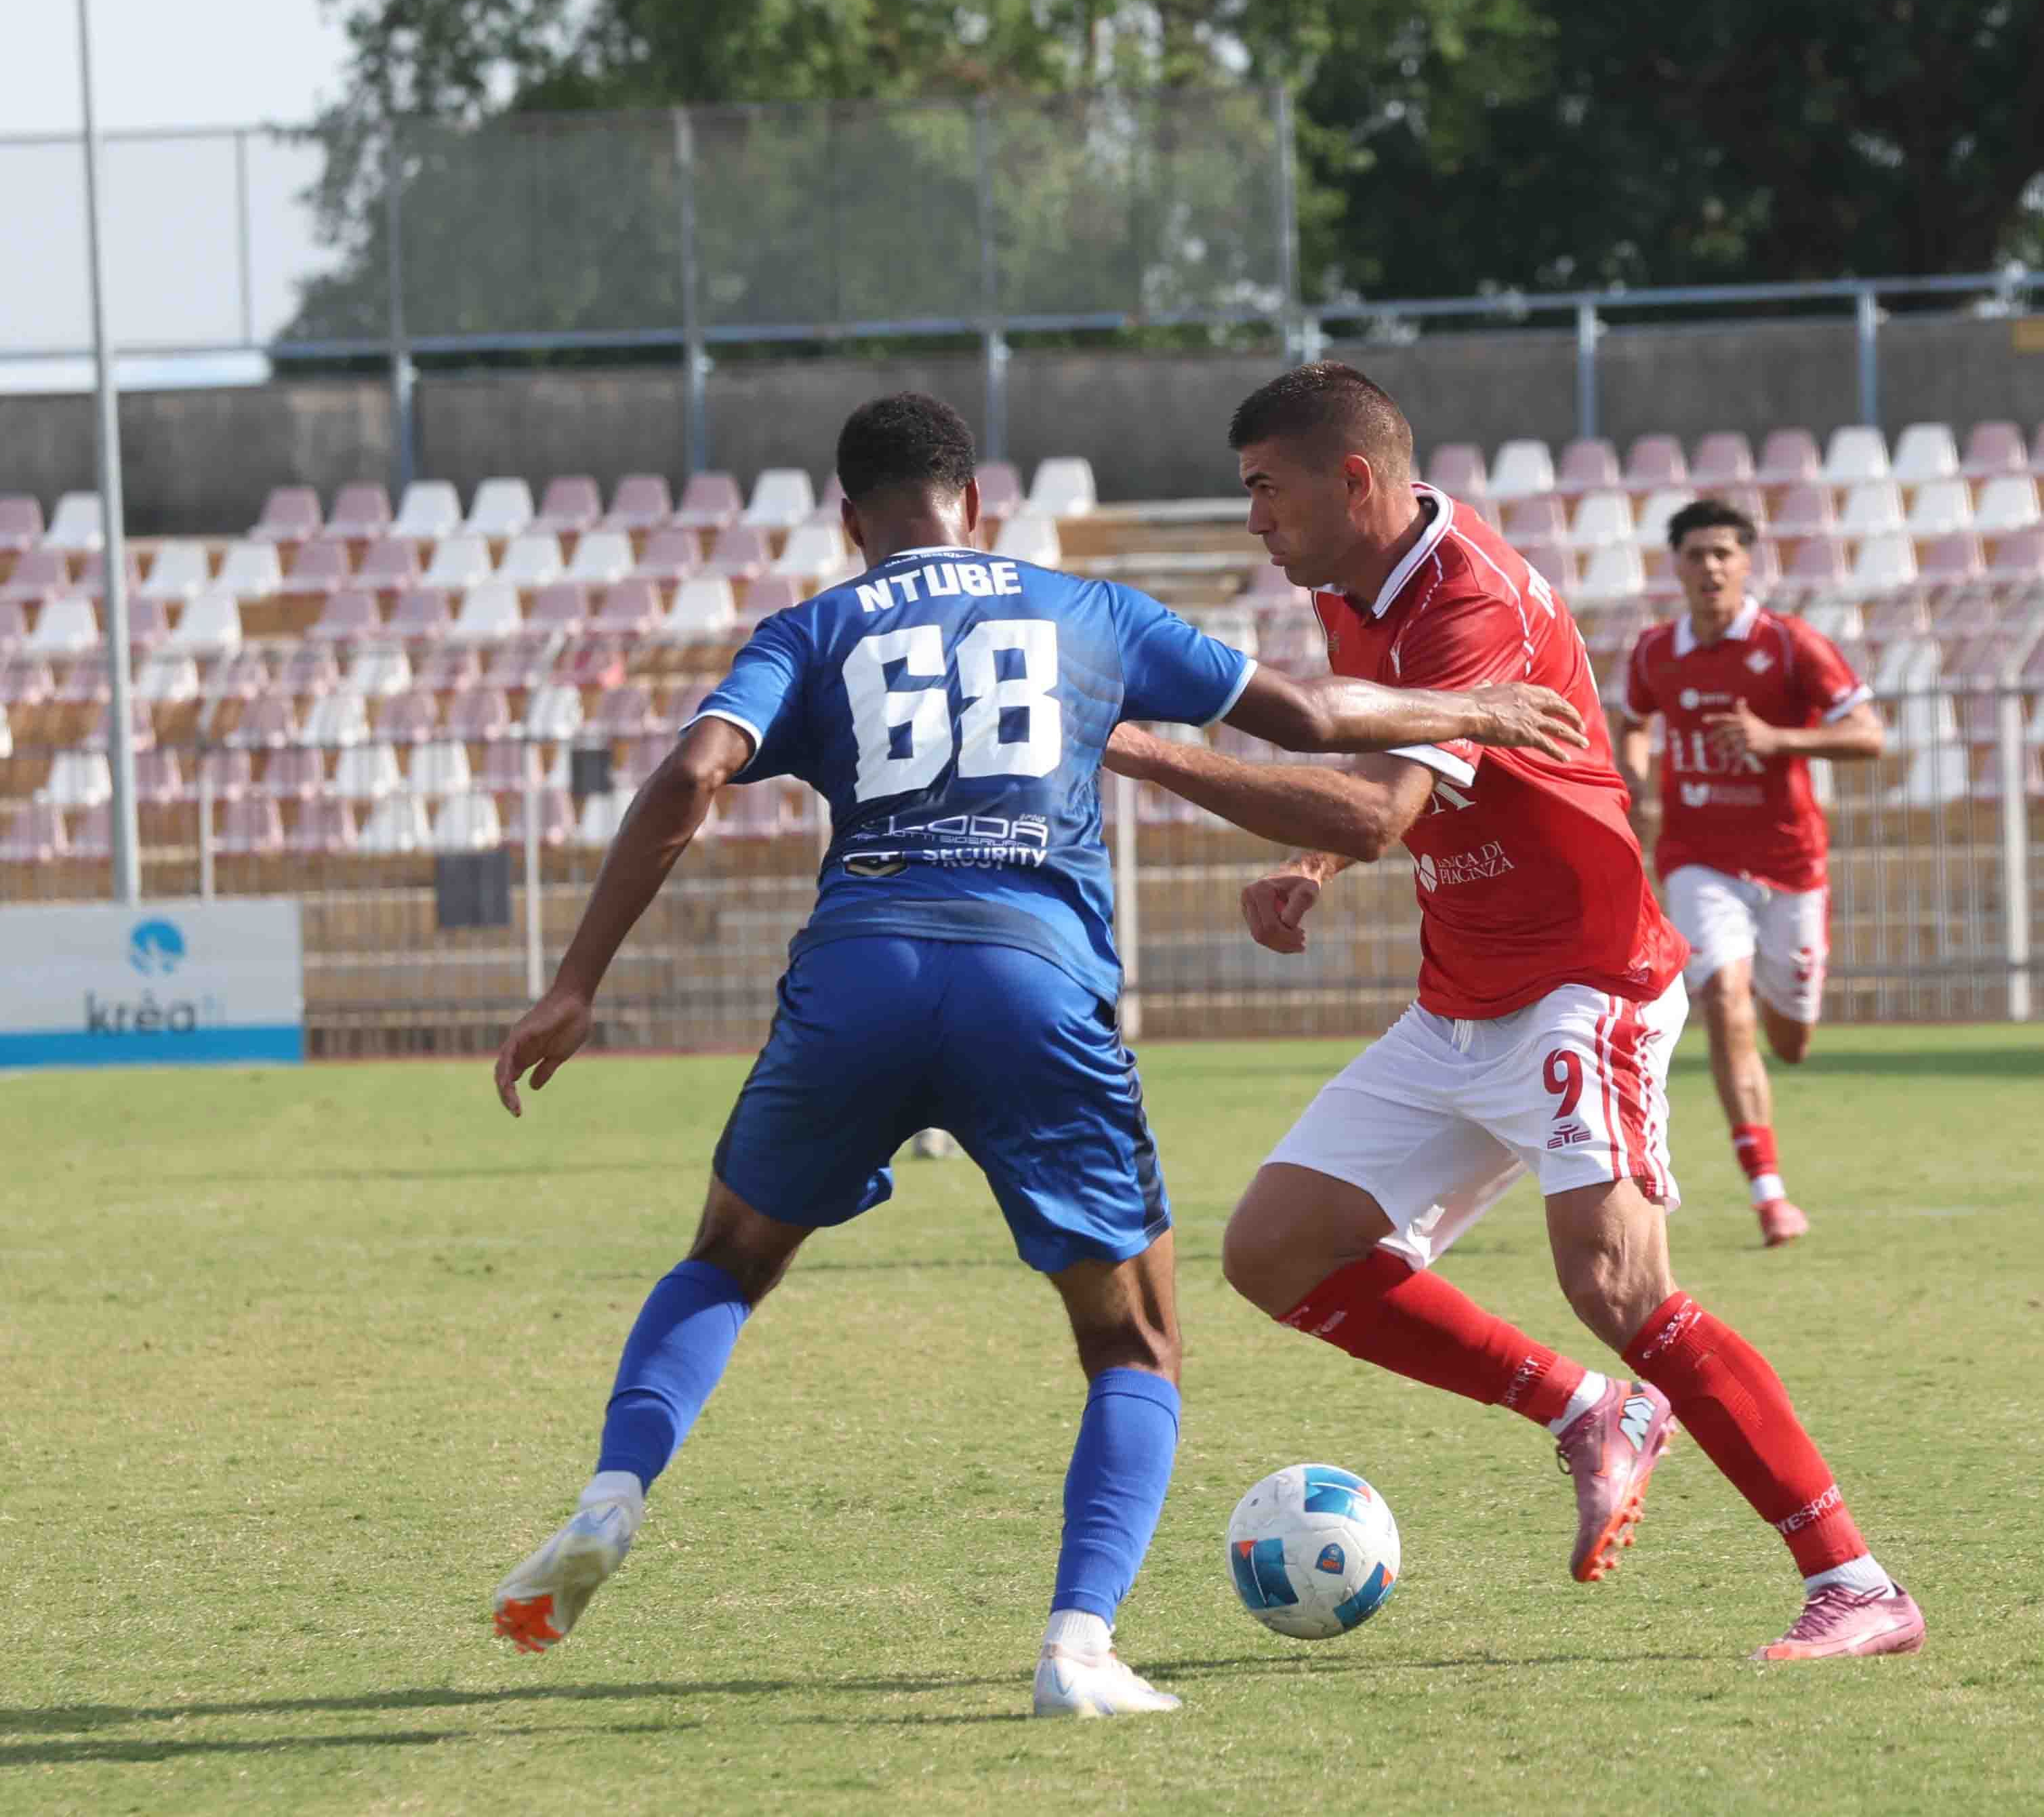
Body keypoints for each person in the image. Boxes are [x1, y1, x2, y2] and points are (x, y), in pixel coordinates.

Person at [486, 391, 1589, 1717]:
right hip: (1033, 984)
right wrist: (1470, 708)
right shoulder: (1086, 608)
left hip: (858, 975)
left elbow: (688, 775)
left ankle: (613, 1494)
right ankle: (1077, 1644)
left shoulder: (812, 627)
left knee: (726, 1257)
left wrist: (575, 980)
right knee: (1133, 1341)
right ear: (976, 503)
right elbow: (1303, 714)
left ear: (848, 518)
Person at [1105, 363, 1923, 1662]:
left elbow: (1375, 807)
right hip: (1462, 994)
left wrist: (1136, 746)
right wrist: (1311, 862)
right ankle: (1589, 1410)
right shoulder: (1348, 588)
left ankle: (1857, 1580)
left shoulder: (1465, 598)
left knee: (1616, 1279)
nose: (1253, 517)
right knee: (1275, 1248)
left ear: (1352, 480)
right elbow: (1393, 774)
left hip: (1583, 980)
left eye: (1266, 488)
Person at [1614, 498, 1883, 1246]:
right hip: (1698, 859)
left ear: (1745, 562)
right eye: (1695, 554)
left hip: (1791, 863)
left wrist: (1777, 739)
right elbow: (1633, 721)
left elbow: (1869, 735)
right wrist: (1638, 781)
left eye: (1723, 553)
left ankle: (1776, 999)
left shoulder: (1790, 643)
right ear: (1676, 566)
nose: (1710, 566)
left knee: (1790, 1040)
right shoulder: (1654, 651)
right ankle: (1770, 1195)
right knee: (1724, 998)